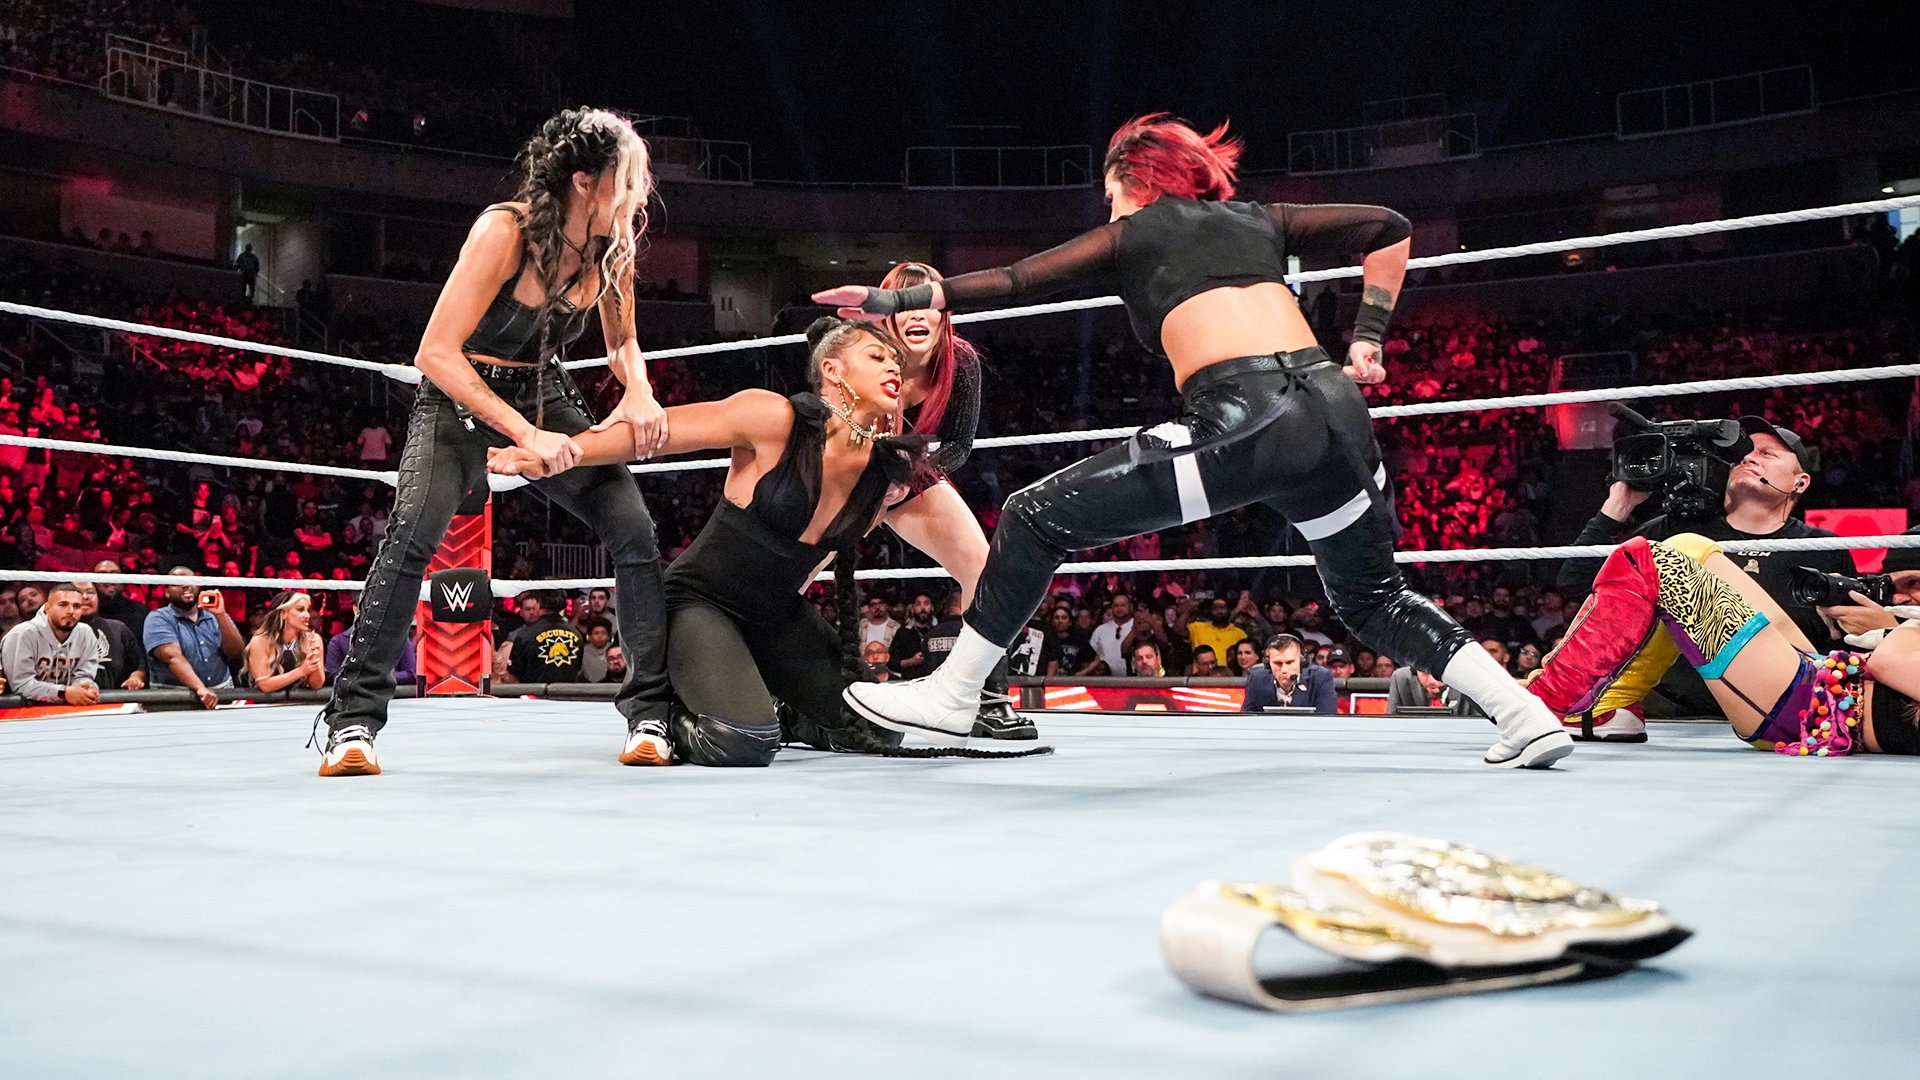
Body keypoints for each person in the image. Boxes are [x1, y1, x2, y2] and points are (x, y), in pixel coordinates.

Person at [819, 114, 1569, 767]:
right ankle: (1524, 713)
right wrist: (1368, 336)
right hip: (1336, 415)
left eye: (1109, 193)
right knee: (1374, 598)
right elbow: (1390, 227)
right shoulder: (1259, 218)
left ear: (1133, 180)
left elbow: (1018, 280)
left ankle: (955, 694)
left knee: (1032, 516)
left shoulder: (1136, 228)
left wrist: (891, 297)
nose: (1108, 206)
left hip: (1249, 413)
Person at [491, 317, 1045, 764]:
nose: (893, 367)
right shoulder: (774, 419)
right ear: (832, 369)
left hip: (775, 617)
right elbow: (654, 434)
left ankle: (778, 705)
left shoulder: (884, 475)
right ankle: (678, 714)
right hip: (700, 603)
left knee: (877, 731)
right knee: (742, 741)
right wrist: (558, 452)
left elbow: (944, 536)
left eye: (896, 361)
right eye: (877, 356)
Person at [315, 108, 674, 777]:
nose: (640, 193)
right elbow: (435, 353)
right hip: (459, 395)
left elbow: (622, 339)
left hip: (542, 387)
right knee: (411, 537)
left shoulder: (612, 242)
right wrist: (527, 435)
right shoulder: (504, 230)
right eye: (628, 178)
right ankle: (351, 723)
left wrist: (639, 390)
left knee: (632, 527)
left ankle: (651, 714)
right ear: (583, 182)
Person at [1555, 416, 1848, 737]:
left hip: (1770, 714)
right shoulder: (1675, 531)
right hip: (1664, 717)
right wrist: (1619, 505)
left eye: (1767, 454)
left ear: (1800, 482)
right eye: (1743, 454)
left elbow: (1845, 638)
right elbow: (1575, 582)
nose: (1749, 458)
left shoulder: (1822, 548)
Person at [1529, 534, 1920, 757]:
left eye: (1916, 585)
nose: (1903, 597)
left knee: (1647, 561)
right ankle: (1609, 707)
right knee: (1691, 547)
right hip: (1828, 682)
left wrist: (1889, 628)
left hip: (1807, 710)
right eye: (1899, 585)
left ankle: (1552, 701)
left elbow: (1889, 663)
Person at [865, 262, 1029, 737]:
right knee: (798, 565)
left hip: (912, 477)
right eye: (906, 304)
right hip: (850, 474)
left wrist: (909, 472)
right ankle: (771, 685)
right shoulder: (864, 353)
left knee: (982, 565)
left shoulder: (961, 362)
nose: (917, 314)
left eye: (927, 304)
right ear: (889, 314)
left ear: (943, 314)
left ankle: (987, 698)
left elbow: (958, 446)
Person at [144, 568, 245, 708]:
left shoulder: (215, 616)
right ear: (166, 591)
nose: (186, 586)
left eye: (191, 581)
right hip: (175, 698)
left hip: (221, 694)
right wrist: (200, 688)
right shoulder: (158, 618)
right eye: (178, 583)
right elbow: (172, 658)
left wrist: (221, 615)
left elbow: (236, 652)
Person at [0, 583, 104, 704]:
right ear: (47, 608)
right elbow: (21, 685)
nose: (71, 611)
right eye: (63, 605)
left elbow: (84, 675)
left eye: (77, 606)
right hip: (23, 710)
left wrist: (86, 688)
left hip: (68, 709)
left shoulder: (85, 633)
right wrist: (63, 692)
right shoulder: (21, 635)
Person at [243, 590, 326, 693]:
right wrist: (301, 671)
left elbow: (317, 684)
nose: (307, 616)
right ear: (283, 614)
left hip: (301, 700)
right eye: (300, 610)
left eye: (307, 610)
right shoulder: (260, 641)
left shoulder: (313, 639)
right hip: (267, 701)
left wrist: (314, 661)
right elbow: (265, 685)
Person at [323, 598, 416, 685]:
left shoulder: (399, 638)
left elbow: (411, 674)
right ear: (355, 609)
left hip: (390, 694)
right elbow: (332, 675)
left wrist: (379, 677)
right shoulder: (338, 642)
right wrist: (365, 678)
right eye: (369, 608)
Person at [73, 580, 145, 690]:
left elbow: (138, 667)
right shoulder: (57, 631)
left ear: (98, 597)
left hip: (114, 697)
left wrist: (135, 679)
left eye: (90, 592)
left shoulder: (118, 629)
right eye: (78, 592)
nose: (85, 597)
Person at [1242, 634, 1337, 714]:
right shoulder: (1256, 679)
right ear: (1268, 662)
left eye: (1290, 662)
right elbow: (1246, 719)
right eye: (1277, 663)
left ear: (1302, 660)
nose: (1284, 670)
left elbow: (1327, 720)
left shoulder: (1321, 678)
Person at [507, 591, 585, 684]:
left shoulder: (525, 635)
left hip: (534, 691)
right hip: (568, 691)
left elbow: (513, 673)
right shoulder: (576, 635)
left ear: (539, 604)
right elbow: (578, 668)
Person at [1038, 605, 1100, 677]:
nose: (1060, 621)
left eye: (1064, 618)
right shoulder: (1045, 640)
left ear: (1070, 622)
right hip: (1051, 680)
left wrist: (1083, 673)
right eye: (1057, 617)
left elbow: (1096, 660)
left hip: (1073, 681)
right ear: (1052, 621)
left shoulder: (1078, 639)